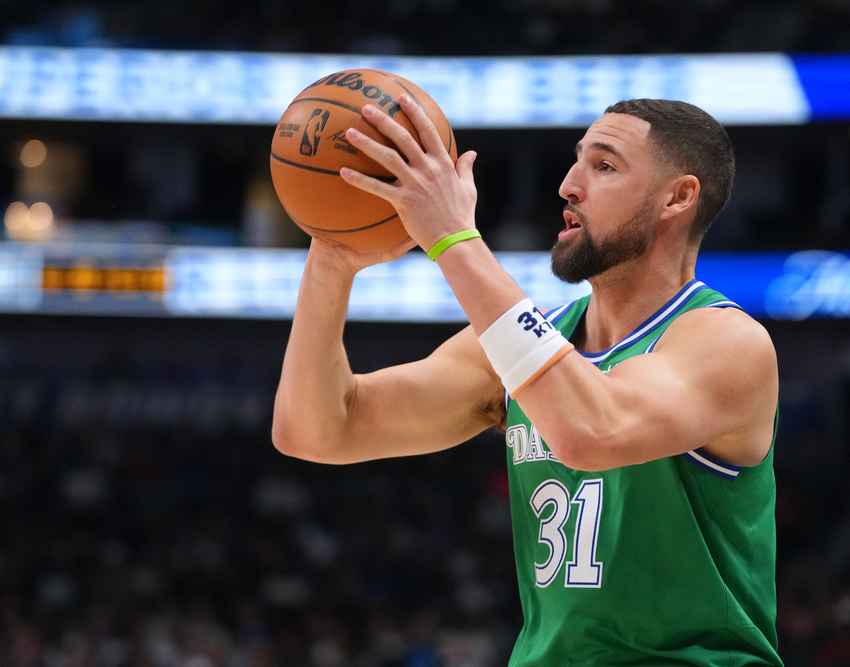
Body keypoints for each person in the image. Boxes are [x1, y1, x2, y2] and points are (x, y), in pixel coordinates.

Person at [272, 96, 782, 666]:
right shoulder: (524, 347)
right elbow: (318, 430)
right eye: (576, 161)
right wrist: (332, 253)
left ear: (678, 197)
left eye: (604, 166)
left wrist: (452, 238)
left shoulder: (726, 342)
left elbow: (592, 429)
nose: (568, 184)